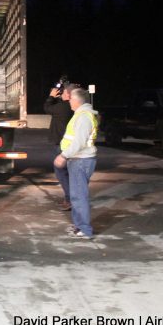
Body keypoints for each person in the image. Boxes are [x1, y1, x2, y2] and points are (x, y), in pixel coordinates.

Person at [54, 88, 98, 239]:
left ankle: (85, 229)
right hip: (78, 160)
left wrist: (63, 155)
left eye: (71, 98)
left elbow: (79, 142)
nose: (69, 101)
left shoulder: (84, 117)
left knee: (79, 196)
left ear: (78, 100)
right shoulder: (80, 115)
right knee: (76, 196)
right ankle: (79, 225)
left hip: (81, 160)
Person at [44, 83, 78, 211]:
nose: (61, 93)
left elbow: (47, 108)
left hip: (63, 145)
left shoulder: (63, 108)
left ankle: (70, 199)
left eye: (63, 92)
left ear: (68, 95)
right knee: (70, 173)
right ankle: (71, 198)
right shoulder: (72, 107)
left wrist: (51, 96)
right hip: (72, 144)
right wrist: (57, 98)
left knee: (61, 172)